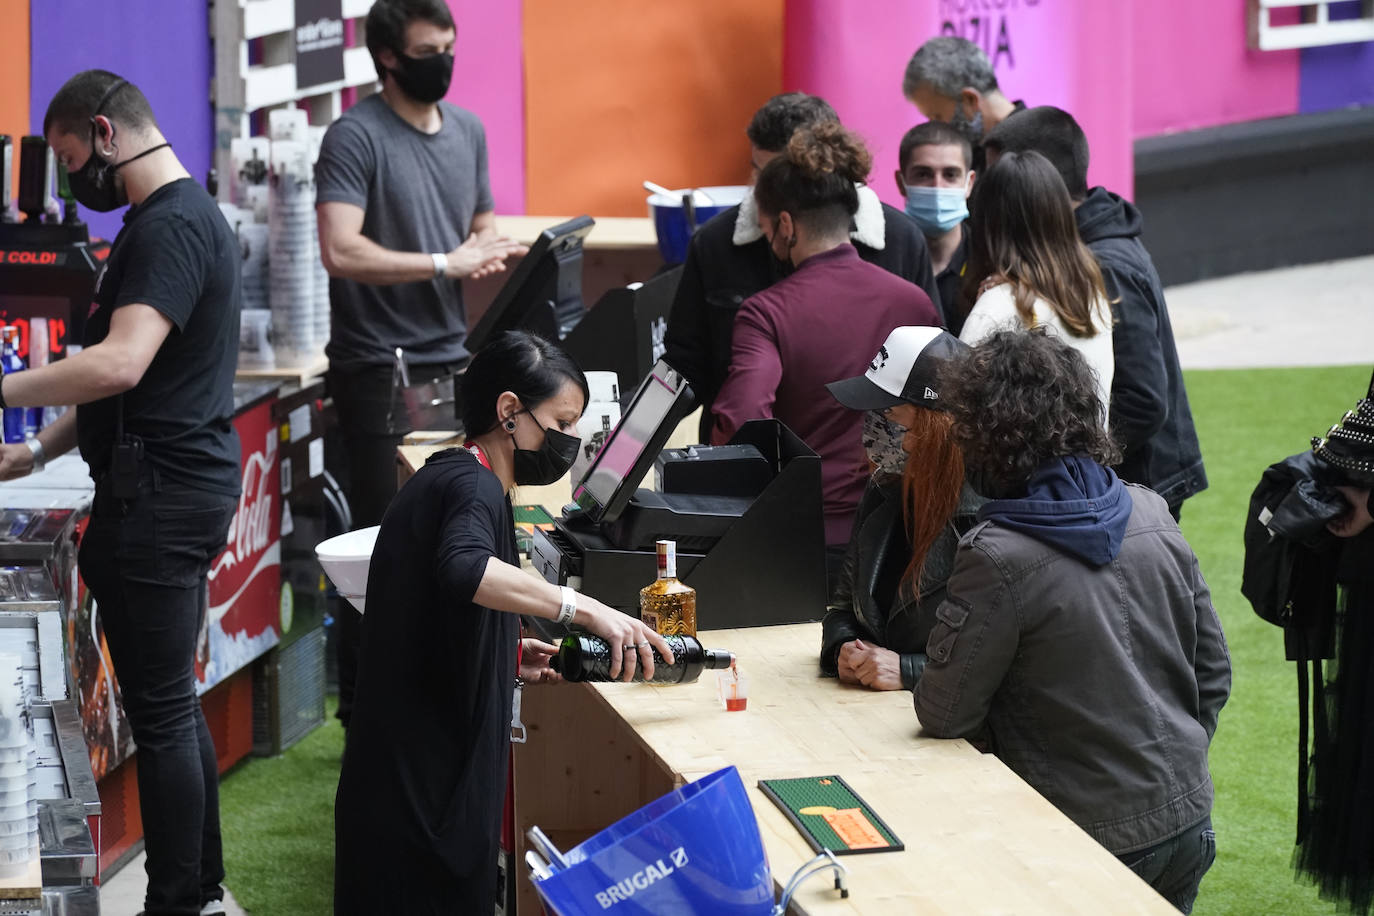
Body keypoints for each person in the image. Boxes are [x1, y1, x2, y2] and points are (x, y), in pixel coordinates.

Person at [0, 70, 243, 915]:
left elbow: (120, 363)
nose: (74, 182)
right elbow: (121, 387)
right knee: (174, 706)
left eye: (71, 160)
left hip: (163, 500)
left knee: (166, 715)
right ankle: (201, 894)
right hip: (169, 489)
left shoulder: (173, 226)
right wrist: (32, 455)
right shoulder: (166, 220)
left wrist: (6, 393)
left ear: (105, 134)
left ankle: (180, 901)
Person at [334, 330, 673, 914]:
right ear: (509, 411)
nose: (568, 442)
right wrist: (583, 608)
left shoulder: (456, 477)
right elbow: (464, 569)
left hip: (404, 782)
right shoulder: (473, 486)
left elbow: (435, 613)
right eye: (562, 424)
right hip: (420, 797)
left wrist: (506, 654)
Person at [913, 329, 1231, 914]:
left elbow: (944, 711)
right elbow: (1213, 672)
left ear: (984, 436)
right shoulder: (1152, 510)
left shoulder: (995, 553)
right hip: (1187, 818)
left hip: (1078, 838)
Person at [314, 0, 526, 729]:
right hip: (380, 372)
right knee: (383, 549)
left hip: (454, 364)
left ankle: (438, 702)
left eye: (450, 46)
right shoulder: (354, 137)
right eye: (427, 49)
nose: (443, 59)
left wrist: (491, 249)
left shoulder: (467, 131)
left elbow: (480, 225)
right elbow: (339, 248)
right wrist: (445, 261)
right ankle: (368, 717)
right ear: (388, 58)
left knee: (458, 535)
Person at [709, 122, 940, 575]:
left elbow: (742, 421)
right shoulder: (913, 301)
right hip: (903, 534)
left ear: (787, 226)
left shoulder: (767, 313)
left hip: (804, 538)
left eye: (767, 228)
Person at [664, 92, 939, 441]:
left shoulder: (901, 241)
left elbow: (929, 375)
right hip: (754, 471)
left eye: (779, 178)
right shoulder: (715, 243)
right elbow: (685, 366)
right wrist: (628, 435)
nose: (762, 194)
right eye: (759, 173)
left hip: (873, 471)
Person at [983, 106, 1207, 516]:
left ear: (1039, 177)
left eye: (999, 181)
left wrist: (1068, 467)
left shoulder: (1103, 263)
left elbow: (1142, 401)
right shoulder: (1080, 252)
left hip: (1133, 489)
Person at [819, 326, 982, 691]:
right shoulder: (886, 492)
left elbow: (998, 661)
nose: (876, 430)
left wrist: (909, 671)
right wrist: (842, 648)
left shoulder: (990, 518)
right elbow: (844, 606)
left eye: (891, 416)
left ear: (938, 425)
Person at [958, 150, 1115, 421]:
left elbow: (958, 415)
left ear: (985, 223)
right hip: (1086, 462)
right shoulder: (1090, 292)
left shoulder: (997, 307)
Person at [893, 122, 975, 333]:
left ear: (969, 183)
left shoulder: (990, 261)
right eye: (923, 174)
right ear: (901, 183)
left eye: (950, 174)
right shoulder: (883, 260)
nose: (938, 187)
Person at [900, 36, 1025, 170]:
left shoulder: (1036, 152)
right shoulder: (973, 155)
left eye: (937, 117)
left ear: (970, 99)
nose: (936, 128)